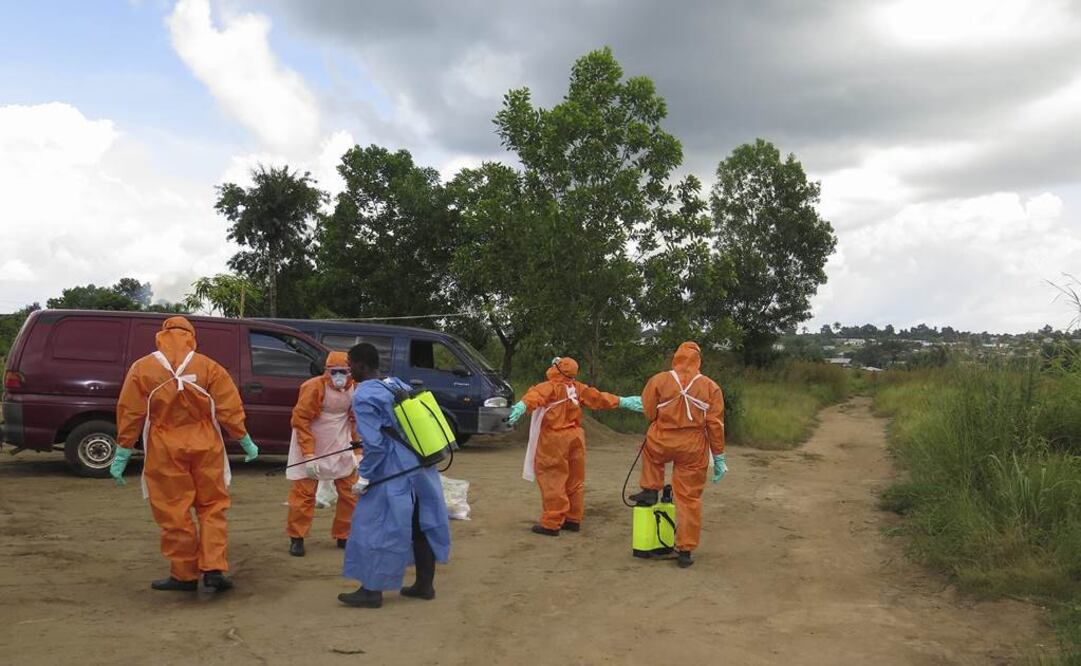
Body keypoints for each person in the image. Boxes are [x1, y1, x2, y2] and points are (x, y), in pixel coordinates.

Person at [111, 316, 260, 592]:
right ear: (192, 336)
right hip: (206, 445)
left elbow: (130, 412)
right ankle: (214, 568)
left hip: (164, 447)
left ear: (161, 336)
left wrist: (122, 451)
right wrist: (244, 439)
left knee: (173, 510)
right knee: (212, 507)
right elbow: (229, 407)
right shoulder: (209, 367)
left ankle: (184, 574)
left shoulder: (142, 368)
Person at [338, 343, 451, 609]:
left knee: (376, 526)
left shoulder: (363, 395)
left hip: (393, 470)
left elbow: (375, 445)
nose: (348, 368)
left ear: (361, 365)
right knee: (420, 523)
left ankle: (371, 591)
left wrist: (364, 476)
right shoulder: (394, 382)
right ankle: (424, 585)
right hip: (421, 463)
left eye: (350, 363)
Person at [507, 357, 643, 536]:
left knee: (553, 478)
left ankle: (552, 522)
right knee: (574, 479)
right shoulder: (578, 388)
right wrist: (622, 401)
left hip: (555, 439)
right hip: (576, 436)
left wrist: (521, 407)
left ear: (556, 369)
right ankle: (573, 519)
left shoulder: (548, 387)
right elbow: (599, 398)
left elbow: (533, 398)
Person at [628, 342, 727, 568]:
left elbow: (649, 411)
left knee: (651, 452)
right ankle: (685, 551)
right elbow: (715, 424)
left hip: (662, 439)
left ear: (676, 358)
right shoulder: (711, 387)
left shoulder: (660, 380)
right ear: (698, 359)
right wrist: (719, 455)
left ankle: (651, 489)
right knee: (689, 499)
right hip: (693, 446)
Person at [285, 351, 362, 557]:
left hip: (340, 441)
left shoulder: (356, 388)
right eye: (334, 371)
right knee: (304, 493)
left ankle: (344, 534)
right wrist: (309, 455)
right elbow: (301, 421)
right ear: (326, 371)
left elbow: (356, 421)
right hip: (311, 443)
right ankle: (297, 537)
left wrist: (358, 451)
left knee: (350, 491)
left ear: (350, 371)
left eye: (344, 371)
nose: (339, 376)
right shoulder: (313, 387)